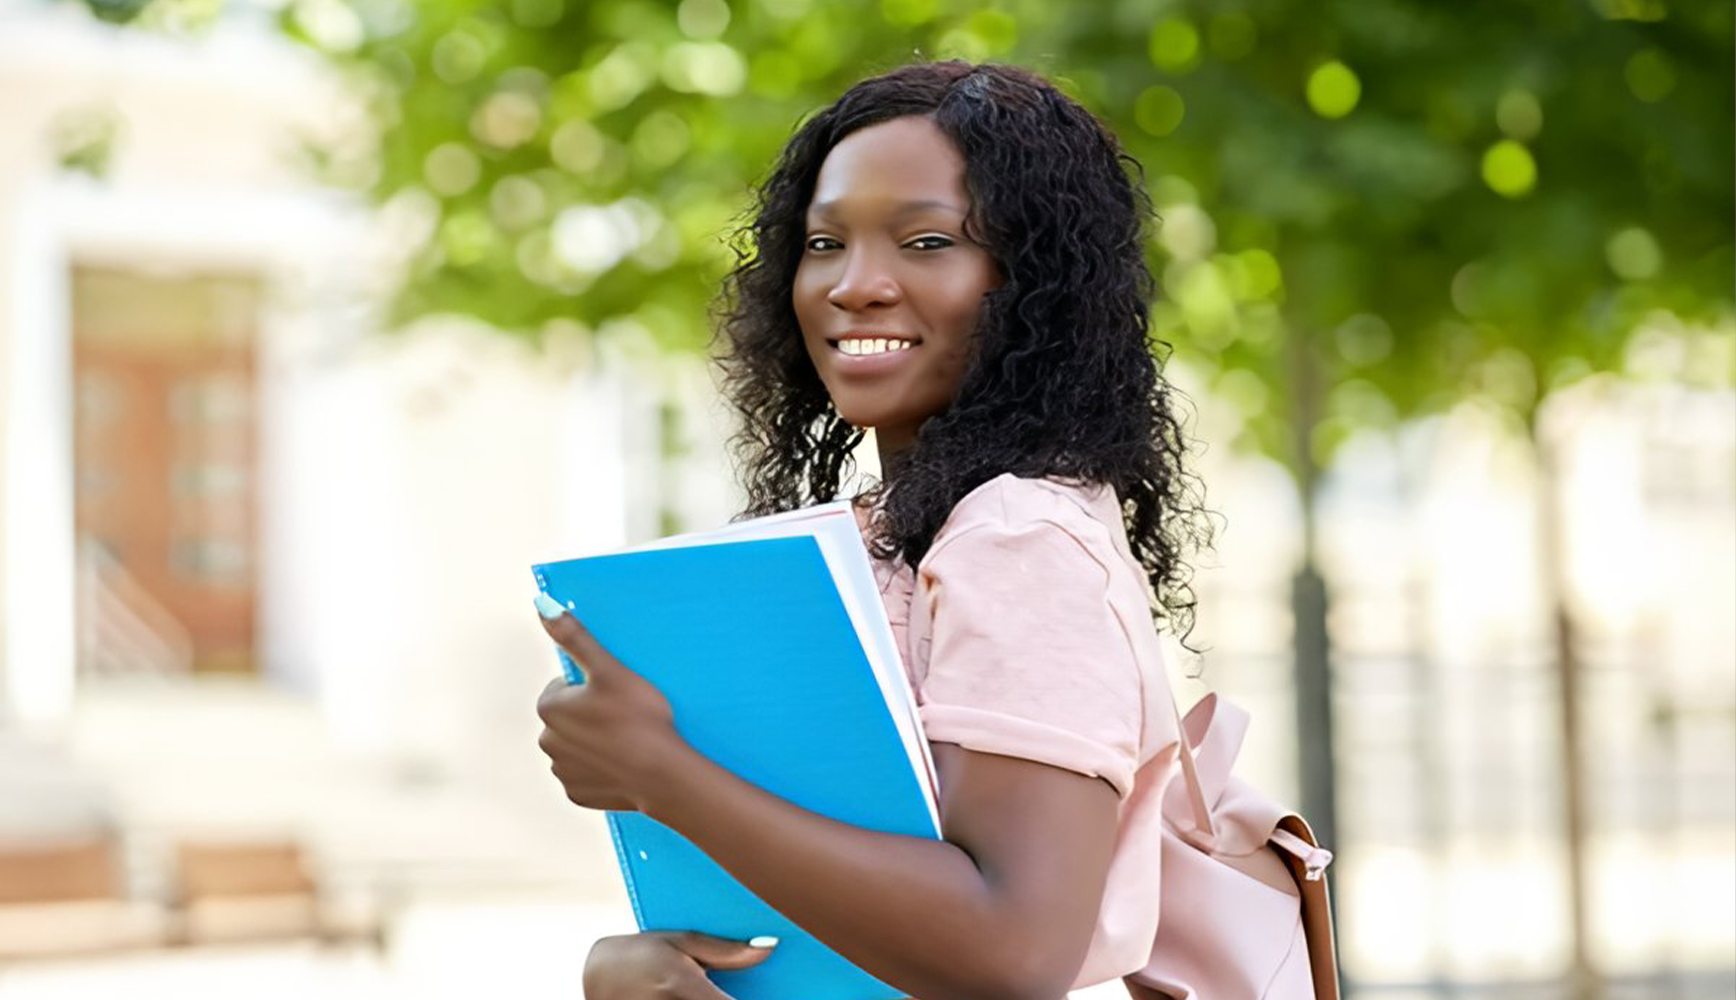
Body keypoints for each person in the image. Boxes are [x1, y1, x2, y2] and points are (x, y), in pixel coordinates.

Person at [534, 61, 1212, 1000]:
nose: (856, 286)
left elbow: (1013, 950)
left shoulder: (1017, 535)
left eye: (928, 241)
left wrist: (662, 774)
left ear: (1034, 285)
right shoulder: (899, 534)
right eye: (824, 243)